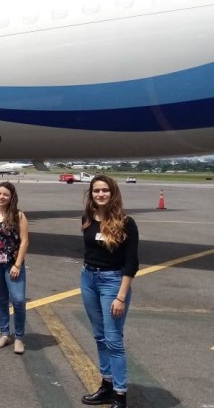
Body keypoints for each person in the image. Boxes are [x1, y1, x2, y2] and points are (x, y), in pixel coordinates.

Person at [79, 175, 138, 408]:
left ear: (113, 193)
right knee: (99, 336)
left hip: (113, 282)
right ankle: (107, 385)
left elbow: (132, 263)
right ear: (91, 194)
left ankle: (120, 394)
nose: (100, 194)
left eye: (105, 190)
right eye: (96, 191)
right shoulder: (87, 218)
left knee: (114, 340)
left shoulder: (126, 222)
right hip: (88, 279)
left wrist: (121, 296)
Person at [0, 182, 29, 354]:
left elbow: (24, 241)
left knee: (18, 300)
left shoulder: (18, 215)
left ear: (11, 197)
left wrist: (17, 264)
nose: (1, 197)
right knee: (1, 300)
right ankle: (4, 333)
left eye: (5, 195)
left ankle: (19, 337)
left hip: (12, 264)